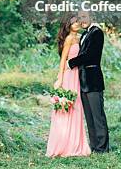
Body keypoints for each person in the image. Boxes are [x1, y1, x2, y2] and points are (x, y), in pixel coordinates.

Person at [46, 15, 91, 157]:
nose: (77, 24)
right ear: (68, 25)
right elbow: (63, 60)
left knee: (77, 107)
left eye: (77, 21)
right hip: (68, 75)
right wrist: (59, 78)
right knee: (68, 107)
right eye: (73, 22)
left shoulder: (80, 37)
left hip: (77, 75)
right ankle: (63, 144)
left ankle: (76, 143)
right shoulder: (69, 39)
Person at [67, 11, 109, 153]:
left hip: (93, 80)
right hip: (83, 81)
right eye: (80, 18)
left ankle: (103, 147)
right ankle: (95, 146)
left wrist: (70, 63)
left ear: (92, 17)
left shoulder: (97, 32)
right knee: (89, 116)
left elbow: (89, 55)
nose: (82, 20)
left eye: (85, 17)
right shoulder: (85, 34)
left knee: (98, 116)